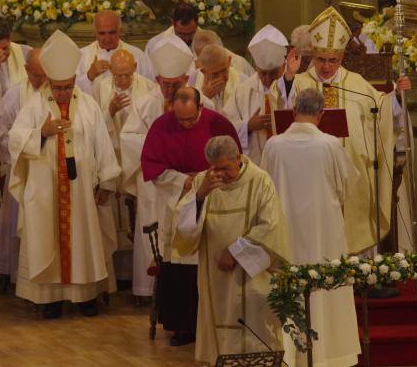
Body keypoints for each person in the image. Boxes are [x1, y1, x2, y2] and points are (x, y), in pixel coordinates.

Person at [8, 30, 121, 319]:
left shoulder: (88, 105)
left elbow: (102, 144)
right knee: (46, 238)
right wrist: (41, 133)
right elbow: (15, 140)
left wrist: (107, 181)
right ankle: (50, 299)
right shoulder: (33, 106)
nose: (63, 93)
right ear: (48, 81)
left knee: (83, 238)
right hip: (45, 189)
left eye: (68, 87)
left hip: (81, 190)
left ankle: (85, 296)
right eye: (58, 88)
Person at [291, 6, 411, 253]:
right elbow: (281, 112)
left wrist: (398, 97)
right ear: (312, 57)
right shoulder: (299, 83)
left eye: (332, 60)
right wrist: (288, 78)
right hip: (312, 174)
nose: (326, 67)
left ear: (342, 58)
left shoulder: (356, 83)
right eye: (321, 60)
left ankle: (362, 281)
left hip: (353, 174)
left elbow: (382, 109)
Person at [262, 89, 361, 367]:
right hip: (323, 231)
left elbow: (264, 189)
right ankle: (330, 355)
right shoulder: (330, 145)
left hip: (285, 232)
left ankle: (291, 356)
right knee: (324, 289)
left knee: (290, 289)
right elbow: (345, 188)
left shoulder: (274, 145)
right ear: (321, 114)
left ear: (294, 110)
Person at [139, 86, 241, 346]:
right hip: (176, 202)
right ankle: (182, 326)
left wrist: (207, 179)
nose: (185, 124)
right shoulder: (162, 126)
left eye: (191, 119)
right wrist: (183, 180)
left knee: (207, 261)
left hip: (214, 199)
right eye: (180, 119)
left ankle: (212, 322)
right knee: (179, 263)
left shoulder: (217, 123)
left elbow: (234, 163)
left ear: (200, 107)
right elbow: (153, 166)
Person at [174, 136, 288, 365]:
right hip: (214, 280)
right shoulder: (203, 183)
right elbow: (182, 228)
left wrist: (236, 251)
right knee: (220, 343)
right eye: (215, 169)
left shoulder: (260, 181)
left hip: (251, 278)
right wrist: (200, 196)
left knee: (253, 341)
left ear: (238, 158)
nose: (220, 175)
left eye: (225, 168)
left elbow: (270, 227)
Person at [119, 34, 214, 303]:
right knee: (159, 237)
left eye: (175, 84)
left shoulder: (205, 104)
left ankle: (195, 295)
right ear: (158, 80)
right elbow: (128, 138)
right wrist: (161, 150)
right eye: (165, 84)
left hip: (193, 183)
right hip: (158, 185)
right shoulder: (145, 104)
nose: (170, 91)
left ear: (186, 80)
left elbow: (214, 140)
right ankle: (152, 291)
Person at [91, 48, 157, 285]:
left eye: (127, 74)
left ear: (135, 68)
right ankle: (116, 276)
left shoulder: (149, 88)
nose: (122, 80)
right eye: (117, 76)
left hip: (136, 162)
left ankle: (134, 275)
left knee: (135, 216)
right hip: (110, 157)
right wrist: (109, 111)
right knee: (113, 216)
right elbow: (93, 124)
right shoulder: (100, 87)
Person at [0, 48, 47, 282]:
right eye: (36, 76)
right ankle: (21, 277)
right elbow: (1, 136)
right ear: (26, 71)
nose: (42, 82)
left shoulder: (61, 92)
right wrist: (31, 140)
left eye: (46, 76)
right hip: (23, 173)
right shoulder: (14, 97)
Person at [223, 25, 301, 165]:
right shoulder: (243, 91)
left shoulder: (297, 85)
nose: (267, 78)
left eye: (273, 73)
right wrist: (247, 126)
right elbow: (225, 126)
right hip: (255, 165)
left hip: (289, 162)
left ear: (284, 66)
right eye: (263, 73)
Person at [76, 9, 154, 91]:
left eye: (112, 32)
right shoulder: (82, 56)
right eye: (102, 33)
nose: (107, 39)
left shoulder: (137, 55)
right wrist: (89, 76)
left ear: (120, 31)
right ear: (95, 33)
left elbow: (151, 86)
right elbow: (71, 91)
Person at [194, 44, 241, 111]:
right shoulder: (192, 83)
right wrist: (204, 97)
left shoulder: (243, 80)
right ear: (204, 71)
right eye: (214, 74)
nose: (221, 77)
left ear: (229, 61)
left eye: (224, 70)